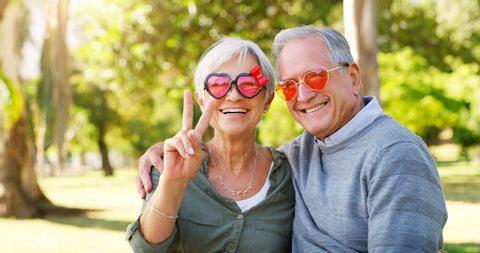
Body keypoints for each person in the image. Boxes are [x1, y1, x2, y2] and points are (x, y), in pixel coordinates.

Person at [136, 26, 448, 252]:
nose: (305, 94)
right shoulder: (301, 154)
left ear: (353, 78)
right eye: (290, 85)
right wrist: (164, 160)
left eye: (316, 77)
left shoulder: (396, 155)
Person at [126, 37, 295, 252]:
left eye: (249, 84)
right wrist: (173, 181)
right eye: (218, 84)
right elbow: (145, 249)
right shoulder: (169, 162)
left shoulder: (290, 174)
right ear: (202, 100)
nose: (233, 95)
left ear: (268, 100)